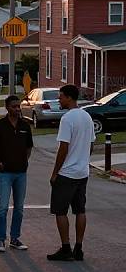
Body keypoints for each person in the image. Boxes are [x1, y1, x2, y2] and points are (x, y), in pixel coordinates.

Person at [48, 84, 95, 262]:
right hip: (82, 172)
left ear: (69, 97)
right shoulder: (87, 117)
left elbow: (63, 148)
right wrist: (83, 160)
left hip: (67, 173)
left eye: (60, 96)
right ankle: (79, 248)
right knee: (80, 210)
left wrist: (55, 173)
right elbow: (91, 144)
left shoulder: (67, 119)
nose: (59, 99)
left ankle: (66, 247)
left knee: (60, 211)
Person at [0, 95, 33, 253]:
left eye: (18, 106)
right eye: (14, 106)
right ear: (7, 107)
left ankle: (15, 238)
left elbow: (29, 146)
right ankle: (0, 240)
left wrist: (25, 160)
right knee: (3, 208)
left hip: (21, 173)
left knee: (19, 208)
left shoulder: (25, 126)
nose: (17, 109)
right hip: (5, 173)